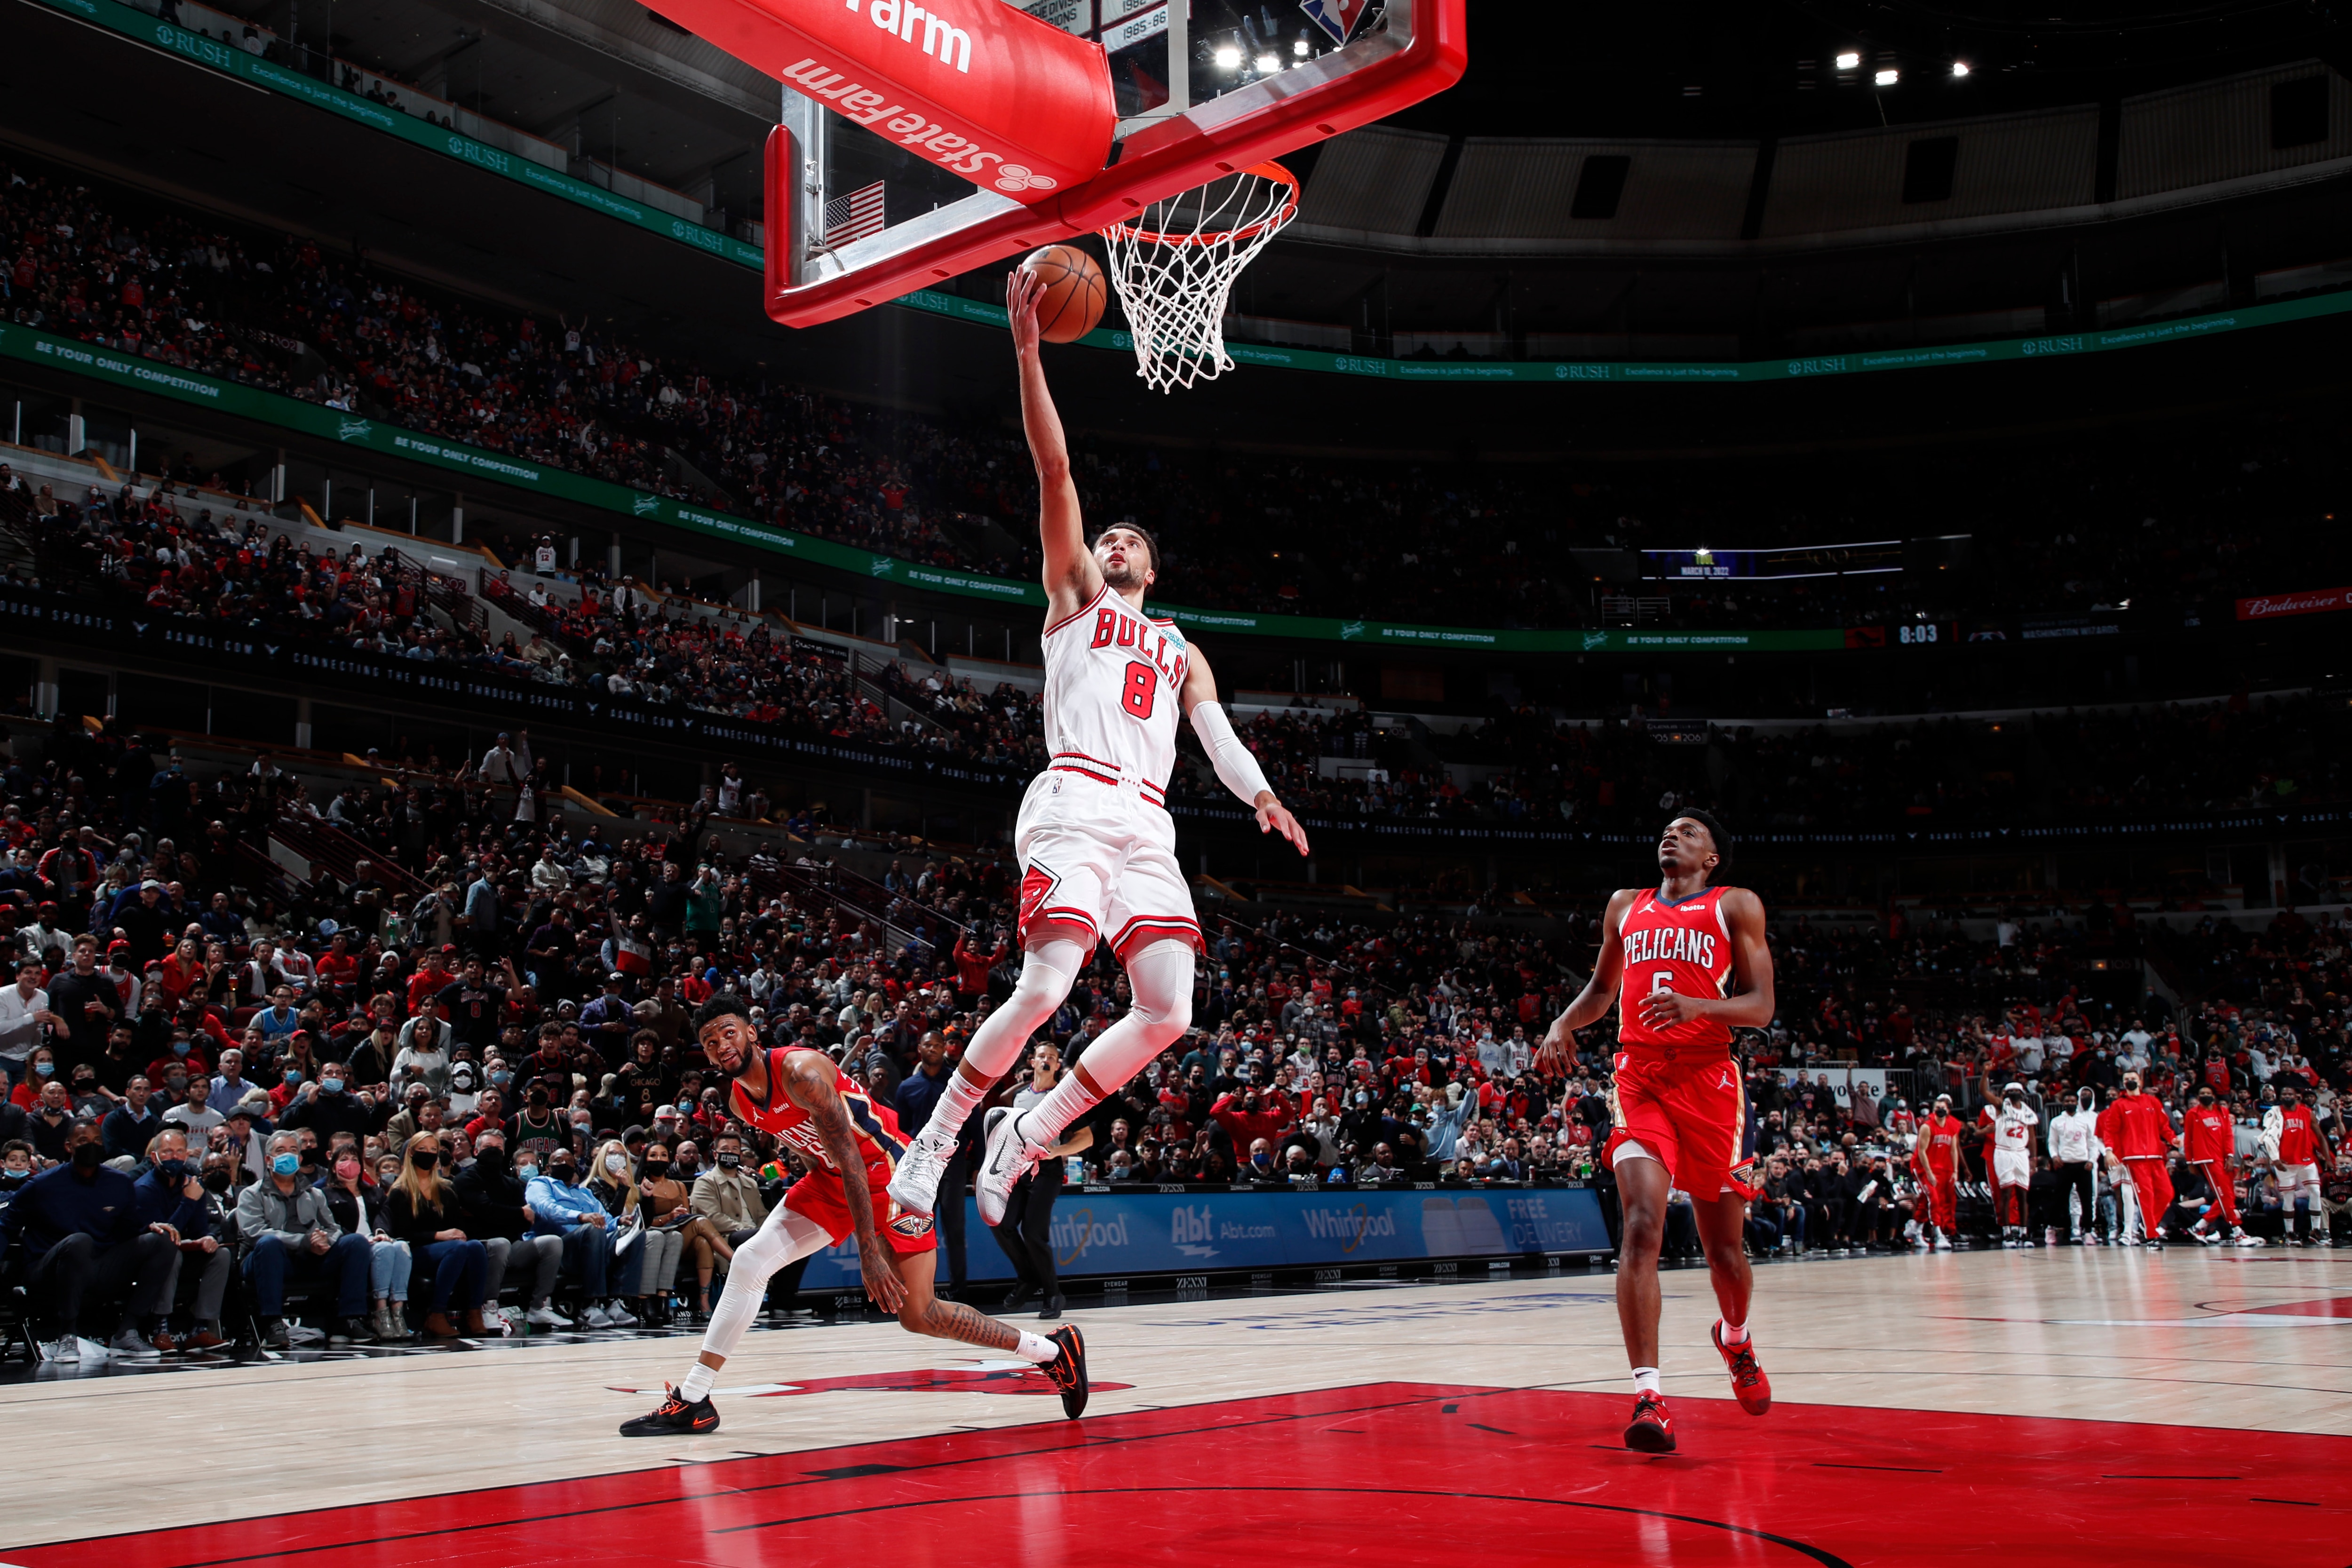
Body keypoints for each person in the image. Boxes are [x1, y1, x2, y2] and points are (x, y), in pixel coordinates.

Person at [884, 267, 1310, 1234]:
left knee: (1167, 1008)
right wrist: (1031, 356)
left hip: (1147, 819)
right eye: (1105, 537)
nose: (1111, 543)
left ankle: (1027, 1129)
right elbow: (1055, 474)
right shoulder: (1075, 597)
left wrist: (1261, 796)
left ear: (1152, 569)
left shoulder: (1179, 644)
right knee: (1048, 980)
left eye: (1128, 541)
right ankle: (939, 1136)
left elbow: (1213, 730)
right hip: (1074, 796)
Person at [619, 996, 1087, 1438]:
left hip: (892, 1176)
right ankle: (695, 1398)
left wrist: (868, 1250)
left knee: (920, 1315)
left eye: (728, 1033)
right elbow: (813, 1151)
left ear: (752, 1033)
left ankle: (1052, 1351)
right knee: (749, 1260)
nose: (722, 1046)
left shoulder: (801, 1072)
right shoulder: (742, 1102)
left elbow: (854, 1160)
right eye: (710, 1042)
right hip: (833, 1179)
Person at [1535, 811, 1775, 1454]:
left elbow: (1761, 1006)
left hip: (1709, 1083)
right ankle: (1650, 1396)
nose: (1673, 835)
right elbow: (1601, 990)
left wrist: (1702, 1007)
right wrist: (1563, 1023)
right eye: (1668, 829)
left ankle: (1735, 1339)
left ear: (1713, 857)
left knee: (1725, 1253)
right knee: (1642, 1223)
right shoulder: (1625, 906)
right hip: (1639, 1076)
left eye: (1691, 831)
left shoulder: (1736, 905)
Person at [0, 1119, 177, 1359]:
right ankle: (68, 1336)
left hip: (99, 1266)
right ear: (68, 1146)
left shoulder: (119, 1182)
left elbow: (129, 1231)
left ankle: (127, 1332)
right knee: (80, 1242)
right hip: (47, 1270)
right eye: (83, 1141)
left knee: (161, 1241)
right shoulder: (41, 1185)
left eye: (97, 1141)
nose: (91, 1146)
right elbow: (5, 1227)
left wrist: (150, 1227)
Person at [237, 1129, 374, 1348]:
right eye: (281, 1151)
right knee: (269, 1244)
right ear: (268, 1159)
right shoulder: (251, 1194)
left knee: (355, 1243)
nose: (288, 1156)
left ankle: (348, 1319)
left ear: (300, 1158)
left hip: (311, 1258)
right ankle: (272, 1322)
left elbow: (333, 1227)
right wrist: (303, 1241)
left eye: (293, 1151)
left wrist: (324, 1242)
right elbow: (254, 1232)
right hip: (269, 1260)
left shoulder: (315, 1194)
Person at [990, 1043, 1093, 1320]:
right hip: (1018, 1170)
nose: (1046, 1060)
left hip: (1046, 1171)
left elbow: (1086, 1137)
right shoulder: (1019, 1098)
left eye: (1052, 1057)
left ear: (1058, 1066)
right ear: (1032, 1062)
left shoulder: (1062, 1099)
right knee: (1001, 1223)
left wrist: (1057, 1152)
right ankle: (1028, 1278)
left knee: (1035, 1234)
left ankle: (1052, 1294)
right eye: (1042, 1057)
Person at [455, 1129, 568, 1329]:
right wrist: (516, 1213)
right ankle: (488, 1307)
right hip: (479, 1248)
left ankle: (540, 1307)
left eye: (499, 1148)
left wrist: (503, 1215)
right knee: (500, 1243)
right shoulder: (466, 1179)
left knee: (552, 1242)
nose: (494, 1152)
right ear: (476, 1151)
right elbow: (487, 1210)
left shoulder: (512, 1184)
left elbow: (526, 1222)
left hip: (512, 1246)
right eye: (489, 1148)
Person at [382, 1130, 490, 1336]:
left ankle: (474, 1312)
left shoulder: (446, 1189)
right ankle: (436, 1314)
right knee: (457, 1249)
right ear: (411, 1153)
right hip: (414, 1251)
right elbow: (402, 1234)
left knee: (475, 1247)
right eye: (423, 1149)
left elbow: (456, 1227)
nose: (429, 1154)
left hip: (447, 1249)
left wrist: (458, 1234)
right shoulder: (400, 1191)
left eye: (434, 1150)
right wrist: (439, 1236)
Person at [2097, 1071, 2178, 1250]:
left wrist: (2173, 1139)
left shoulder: (2153, 1102)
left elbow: (2164, 1126)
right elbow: (2110, 1131)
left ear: (2140, 1081)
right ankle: (2151, 1236)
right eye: (2127, 1079)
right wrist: (2109, 1151)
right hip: (2134, 1158)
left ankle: (2148, 1225)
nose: (2130, 1081)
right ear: (2123, 1083)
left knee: (2167, 1193)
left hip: (2156, 1155)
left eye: (2133, 1078)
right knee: (2146, 1197)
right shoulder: (2119, 1105)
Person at [2184, 1083, 2257, 1247]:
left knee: (2228, 1195)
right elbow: (2188, 1139)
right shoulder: (2192, 1114)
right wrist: (2190, 1161)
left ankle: (2199, 1227)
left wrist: (2230, 1156)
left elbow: (2228, 1135)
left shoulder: (2222, 1112)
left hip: (2223, 1158)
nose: (2205, 1095)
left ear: (2214, 1096)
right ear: (2198, 1097)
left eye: (2208, 1092)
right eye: (2202, 1092)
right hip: (2206, 1159)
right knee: (2225, 1195)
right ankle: (2238, 1233)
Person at [2264, 1083, 2333, 1248]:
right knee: (2288, 1197)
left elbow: (2320, 1136)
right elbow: (2268, 1138)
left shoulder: (2307, 1113)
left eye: (2290, 1093)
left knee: (2315, 1191)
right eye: (2284, 1094)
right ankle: (2290, 1233)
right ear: (2280, 1097)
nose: (2287, 1096)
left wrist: (2328, 1157)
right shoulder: (2275, 1113)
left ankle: (2316, 1231)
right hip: (2285, 1163)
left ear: (2297, 1097)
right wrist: (2274, 1159)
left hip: (2306, 1160)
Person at [2046, 1086, 2106, 1245]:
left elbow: (2093, 1144)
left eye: (2073, 1101)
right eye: (2067, 1101)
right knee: (2059, 1200)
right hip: (2064, 1165)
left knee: (2087, 1200)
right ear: (2063, 1103)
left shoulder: (2086, 1121)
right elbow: (2052, 1142)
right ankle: (2051, 1229)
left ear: (2077, 1102)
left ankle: (2088, 1231)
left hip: (2083, 1165)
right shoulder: (2056, 1121)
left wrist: (2092, 1160)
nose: (2070, 1103)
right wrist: (2054, 1156)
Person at [1986, 1080, 2039, 1248]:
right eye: (2011, 1090)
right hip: (2004, 1152)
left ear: (2022, 1094)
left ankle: (2024, 1232)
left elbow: (2032, 1137)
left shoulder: (2028, 1113)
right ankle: (2007, 1232)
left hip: (2021, 1153)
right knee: (2007, 1193)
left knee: (2023, 1194)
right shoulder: (2001, 1107)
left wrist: (2034, 1159)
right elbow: (1983, 1092)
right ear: (2007, 1094)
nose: (2015, 1092)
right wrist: (1986, 1074)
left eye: (2017, 1090)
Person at [1913, 1094, 1963, 1250]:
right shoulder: (1927, 1126)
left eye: (1943, 1108)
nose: (1940, 1110)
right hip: (1922, 1166)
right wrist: (1928, 1172)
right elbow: (1921, 1152)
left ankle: (1915, 1229)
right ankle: (1938, 1234)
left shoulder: (1953, 1126)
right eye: (1937, 1108)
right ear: (1933, 1111)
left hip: (1942, 1167)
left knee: (1927, 1200)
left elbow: (1954, 1150)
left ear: (1948, 1110)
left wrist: (1955, 1171)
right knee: (1934, 1199)